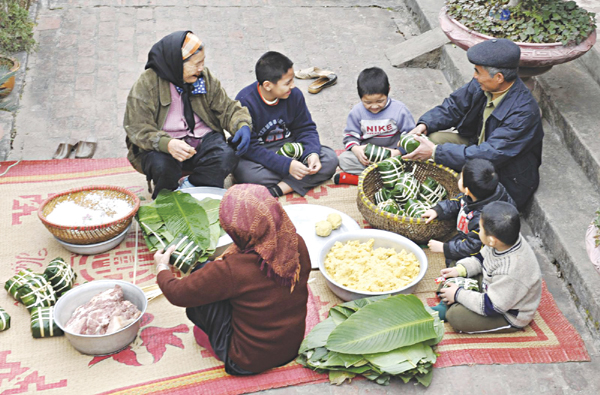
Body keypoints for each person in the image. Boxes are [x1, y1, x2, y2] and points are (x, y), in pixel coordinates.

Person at [153, 184, 311, 375]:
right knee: (211, 278)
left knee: (199, 286)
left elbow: (177, 293)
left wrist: (161, 267)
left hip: (245, 360)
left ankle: (213, 342)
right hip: (291, 347)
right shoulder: (296, 242)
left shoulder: (232, 270)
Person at [402, 38, 544, 210]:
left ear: (499, 77)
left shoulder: (524, 112)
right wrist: (424, 125)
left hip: (504, 175)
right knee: (433, 138)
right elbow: (453, 107)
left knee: (470, 205)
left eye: (478, 72)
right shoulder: (484, 85)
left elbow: (490, 154)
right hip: (476, 146)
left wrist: (436, 152)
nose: (474, 76)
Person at [124, 31, 252, 199]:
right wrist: (167, 144)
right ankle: (168, 196)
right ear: (177, 63)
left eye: (203, 62)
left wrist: (241, 124)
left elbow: (227, 108)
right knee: (163, 166)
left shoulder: (204, 78)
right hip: (163, 145)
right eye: (196, 64)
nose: (201, 68)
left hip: (201, 138)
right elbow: (137, 128)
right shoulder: (146, 85)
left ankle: (194, 185)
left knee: (226, 155)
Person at [234, 51, 338, 197]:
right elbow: (250, 148)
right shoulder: (245, 101)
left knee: (330, 159)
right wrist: (286, 166)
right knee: (245, 173)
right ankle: (297, 179)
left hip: (292, 148)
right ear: (268, 85)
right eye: (288, 82)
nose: (293, 86)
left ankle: (279, 189)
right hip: (262, 152)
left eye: (293, 80)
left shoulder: (294, 95)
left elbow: (306, 128)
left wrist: (311, 154)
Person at [436, 201, 542, 333]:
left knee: (456, 317)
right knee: (455, 268)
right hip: (492, 285)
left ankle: (451, 302)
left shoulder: (512, 270)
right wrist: (460, 270)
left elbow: (492, 306)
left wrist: (458, 294)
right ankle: (453, 297)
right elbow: (481, 259)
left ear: (492, 240)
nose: (478, 231)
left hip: (505, 312)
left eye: (480, 229)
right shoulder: (504, 240)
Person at [422, 158, 515, 267]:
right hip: (469, 235)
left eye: (461, 177)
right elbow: (459, 201)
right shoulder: (485, 191)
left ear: (467, 190)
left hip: (482, 249)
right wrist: (438, 210)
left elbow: (473, 246)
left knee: (454, 263)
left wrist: (444, 248)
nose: (459, 177)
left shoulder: (482, 219)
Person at [336, 67, 416, 185]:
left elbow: (411, 137)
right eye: (368, 102)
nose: (374, 106)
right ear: (360, 96)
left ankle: (367, 179)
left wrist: (398, 152)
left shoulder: (399, 110)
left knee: (414, 161)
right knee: (344, 160)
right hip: (369, 159)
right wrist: (356, 150)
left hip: (393, 156)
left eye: (380, 101)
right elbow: (350, 137)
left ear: (388, 90)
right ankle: (386, 177)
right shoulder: (357, 112)